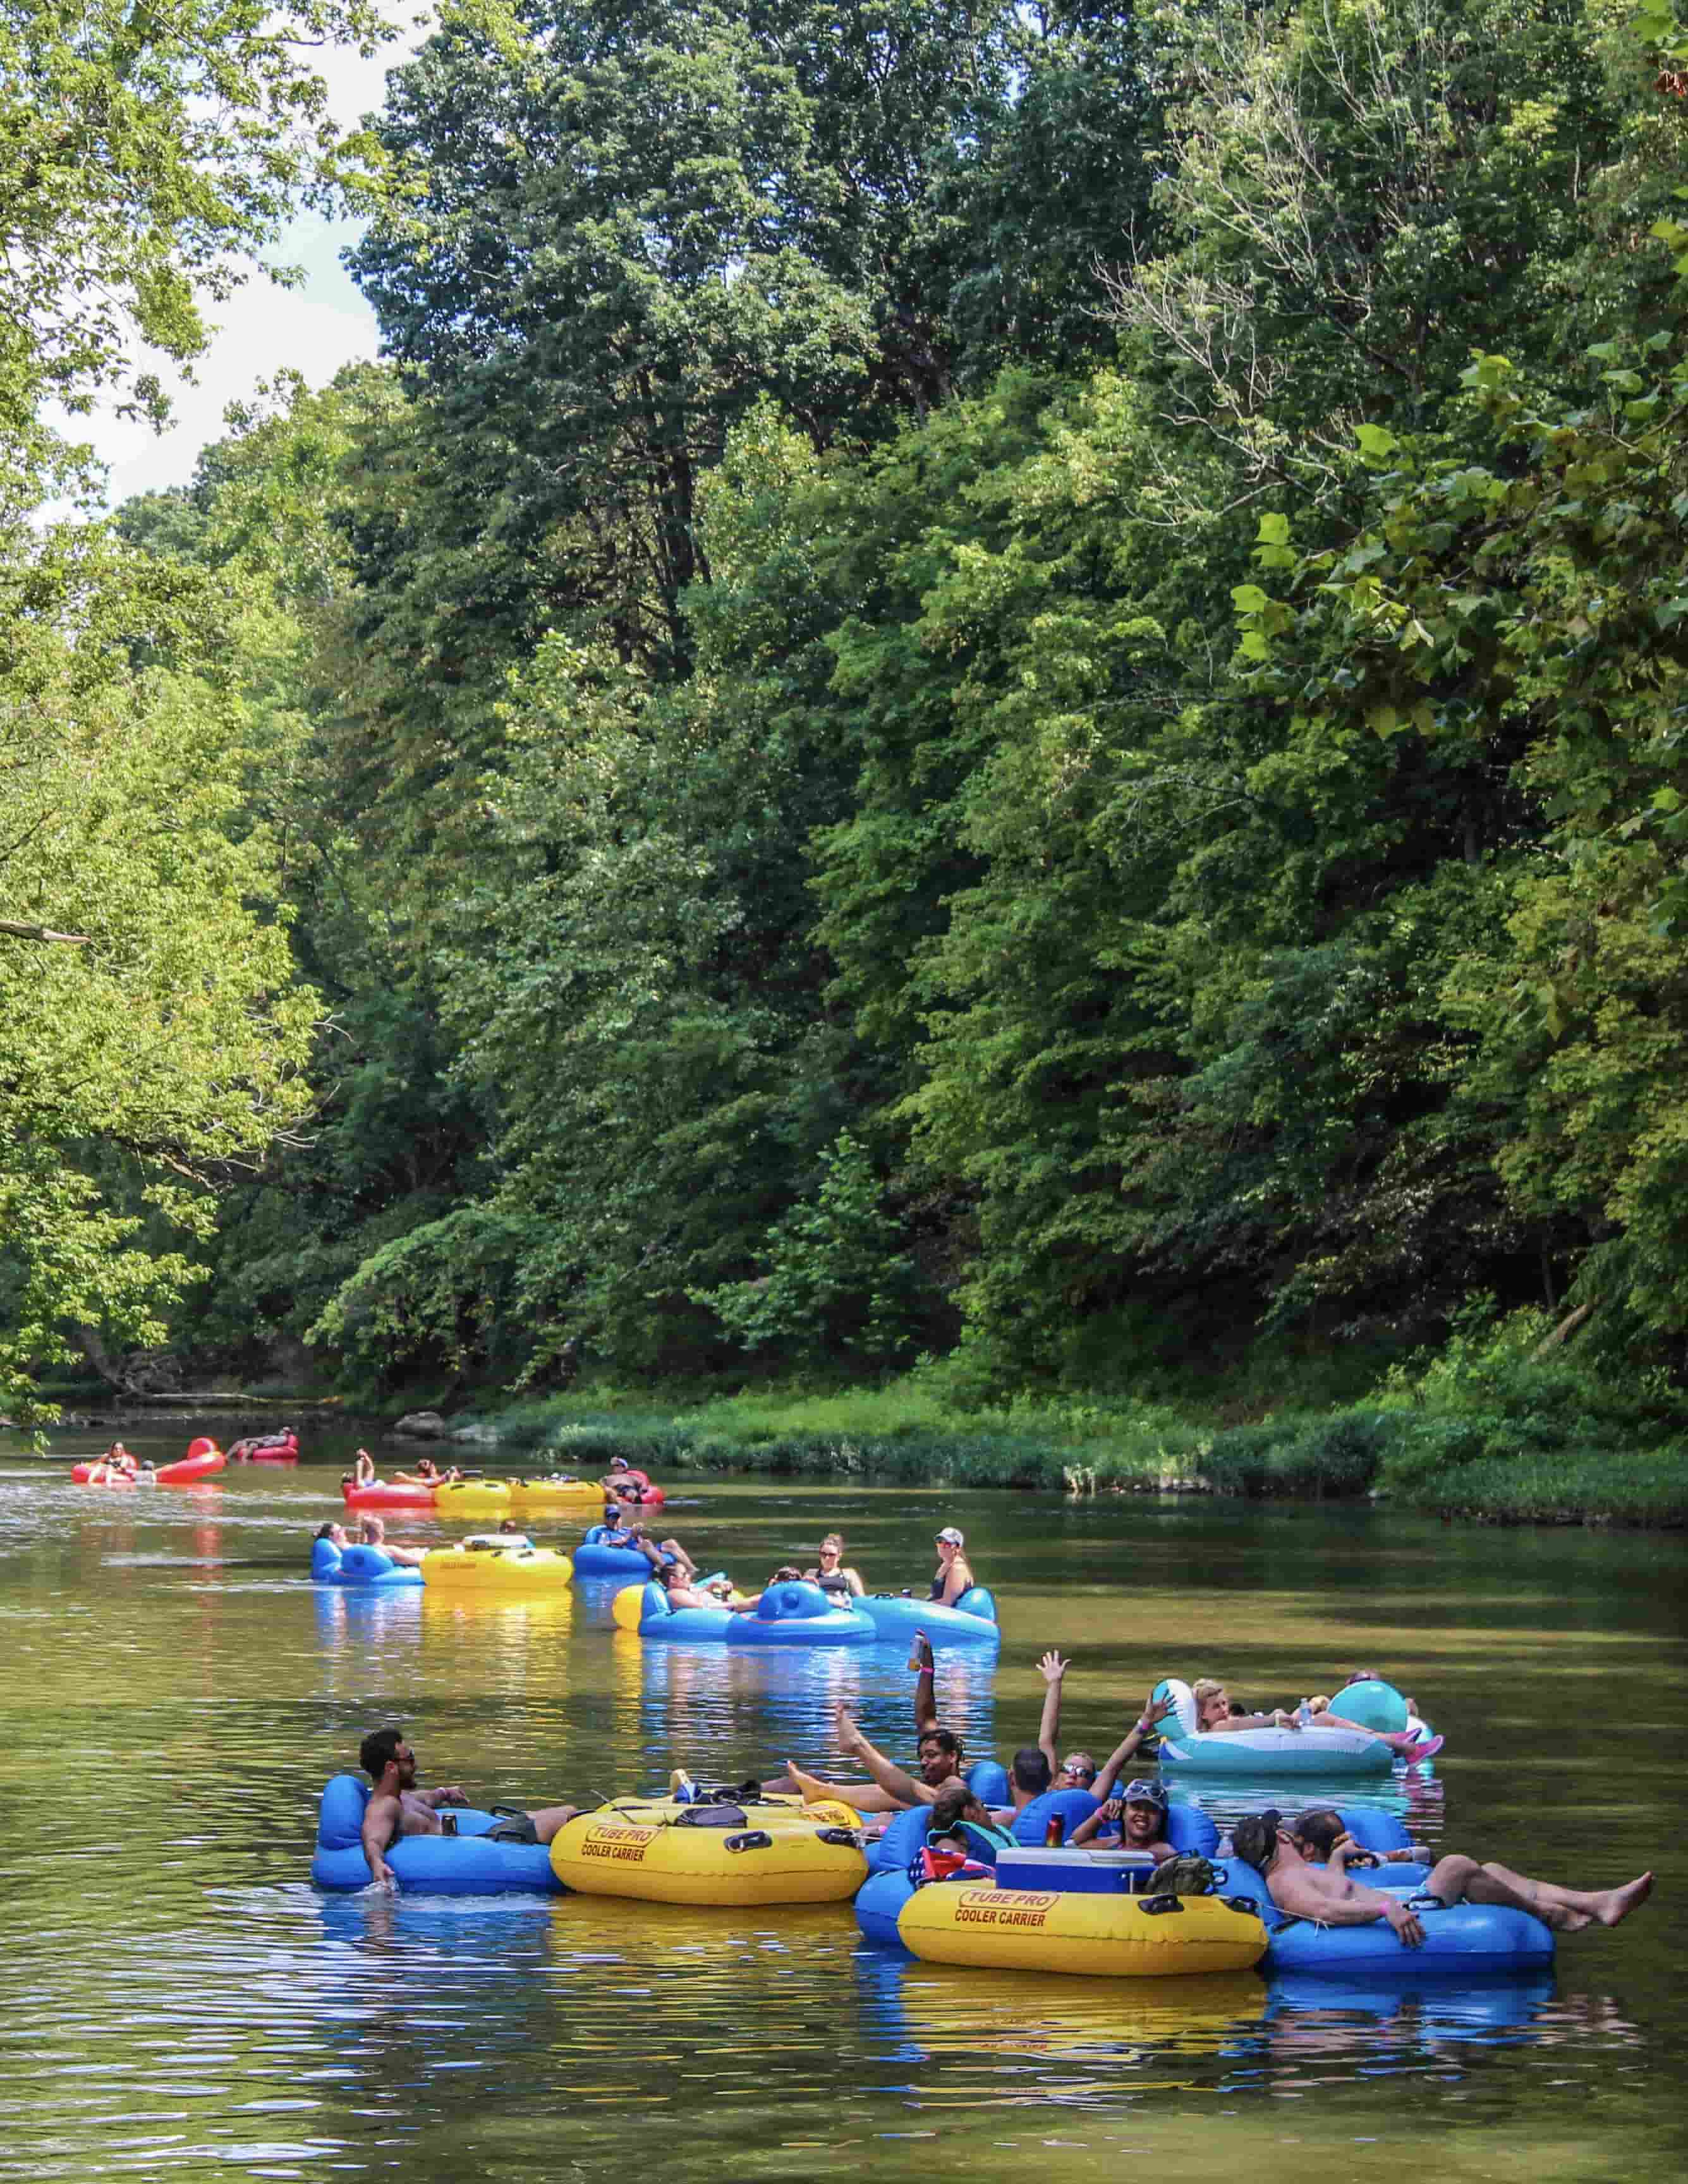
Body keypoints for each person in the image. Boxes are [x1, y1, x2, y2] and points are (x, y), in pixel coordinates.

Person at [1230, 1809, 1653, 1944]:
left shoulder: (1297, 1872)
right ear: (1283, 1837)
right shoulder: (1284, 1884)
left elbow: (1332, 1888)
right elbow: (1324, 1909)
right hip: (1408, 1914)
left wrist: (1339, 1860)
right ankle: (1552, 1916)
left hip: (1406, 1904)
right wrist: (1385, 1908)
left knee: (1492, 1872)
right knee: (1455, 1865)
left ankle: (1597, 1902)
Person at [356, 1728, 579, 1890]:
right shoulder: (384, 1806)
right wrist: (377, 1863)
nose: (416, 1765)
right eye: (410, 1758)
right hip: (484, 1850)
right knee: (559, 1820)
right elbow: (373, 1838)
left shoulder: (402, 1797)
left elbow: (428, 1798)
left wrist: (445, 1792)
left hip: (480, 1840)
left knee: (568, 1810)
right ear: (391, 1767)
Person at [1191, 1678, 1436, 1760]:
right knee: (1325, 1718)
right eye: (1216, 1706)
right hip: (1276, 1738)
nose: (1223, 1709)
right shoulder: (1218, 1728)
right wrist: (1274, 1719)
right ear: (1202, 1713)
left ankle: (1392, 1741)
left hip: (1277, 1735)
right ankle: (1400, 1745)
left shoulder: (1221, 1726)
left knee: (1322, 1714)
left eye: (1224, 1703)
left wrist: (1277, 1718)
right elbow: (1242, 1724)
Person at [784, 1704, 969, 1813]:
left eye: (931, 1756)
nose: (923, 1762)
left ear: (952, 1756)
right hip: (916, 1802)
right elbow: (924, 1717)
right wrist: (926, 1668)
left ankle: (857, 1746)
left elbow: (955, 1804)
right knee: (896, 1796)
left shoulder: (956, 1784)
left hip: (951, 1808)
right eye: (921, 1757)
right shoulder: (929, 1786)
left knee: (906, 1796)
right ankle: (822, 1789)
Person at [1071, 1775, 1177, 1860]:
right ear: (1123, 1811)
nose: (1143, 1814)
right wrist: (1101, 1815)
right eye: (1136, 1807)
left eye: (1152, 1810)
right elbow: (1077, 1843)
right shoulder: (1114, 1844)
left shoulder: (1166, 1854)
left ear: (1161, 1818)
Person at [803, 1533, 865, 1599]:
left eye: (831, 1555)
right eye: (823, 1554)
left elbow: (861, 1599)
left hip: (841, 1605)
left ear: (839, 1556)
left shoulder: (849, 1574)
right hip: (818, 1606)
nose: (827, 1558)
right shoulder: (811, 1574)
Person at [930, 1526, 976, 1606]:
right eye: (940, 1541)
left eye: (948, 1544)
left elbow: (948, 1603)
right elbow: (934, 1596)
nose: (942, 1546)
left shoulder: (957, 1568)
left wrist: (918, 1607)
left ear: (957, 1548)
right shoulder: (945, 1565)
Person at [360, 1514, 427, 1568]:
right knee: (421, 1552)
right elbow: (418, 1561)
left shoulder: (360, 1549)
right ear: (381, 1533)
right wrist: (422, 1554)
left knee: (413, 1551)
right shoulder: (389, 1550)